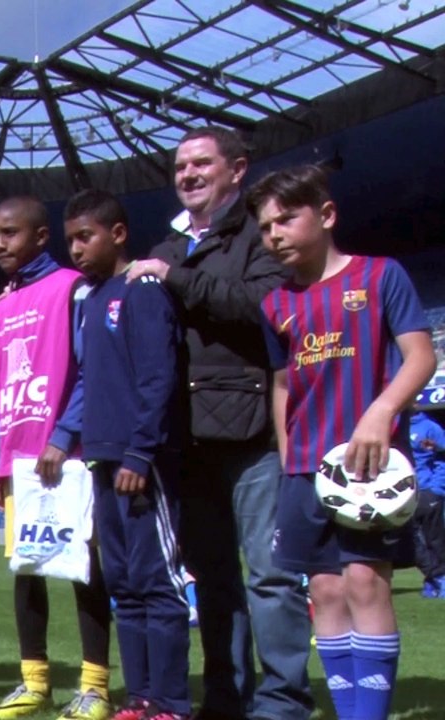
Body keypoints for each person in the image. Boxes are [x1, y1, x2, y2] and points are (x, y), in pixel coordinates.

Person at [126, 126, 311, 720]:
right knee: (212, 582)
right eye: (180, 166)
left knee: (270, 578)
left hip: (253, 430)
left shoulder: (260, 234)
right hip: (188, 437)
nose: (187, 175)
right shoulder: (170, 245)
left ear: (237, 170)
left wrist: (170, 277)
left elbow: (260, 304)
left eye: (201, 163)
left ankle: (283, 700)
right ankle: (226, 695)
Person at [253, 165, 435, 720]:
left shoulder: (380, 276)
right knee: (325, 592)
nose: (275, 233)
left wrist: (381, 411)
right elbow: (282, 384)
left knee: (364, 582)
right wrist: (287, 456)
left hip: (370, 466)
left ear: (326, 215)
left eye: (287, 218)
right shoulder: (275, 305)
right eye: (265, 227)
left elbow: (422, 356)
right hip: (306, 468)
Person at [0, 197, 113, 720]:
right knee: (27, 569)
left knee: (85, 571)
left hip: (70, 456)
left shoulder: (72, 289)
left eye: (10, 233)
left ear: (41, 237)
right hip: (19, 463)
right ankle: (34, 682)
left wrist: (63, 434)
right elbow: (1, 394)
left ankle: (95, 687)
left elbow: (88, 370)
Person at [68, 189, 189, 720]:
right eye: (70, 238)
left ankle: (170, 700)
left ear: (117, 234)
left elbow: (158, 376)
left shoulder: (140, 289)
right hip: (102, 460)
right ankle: (139, 697)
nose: (75, 248)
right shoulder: (89, 299)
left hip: (142, 462)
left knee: (157, 582)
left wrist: (140, 454)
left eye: (84, 236)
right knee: (123, 583)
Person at [408, 409, 445, 597]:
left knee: (435, 539)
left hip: (428, 490)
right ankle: (435, 576)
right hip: (404, 494)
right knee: (411, 541)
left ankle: (437, 581)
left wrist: (437, 487)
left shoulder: (430, 427)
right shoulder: (394, 426)